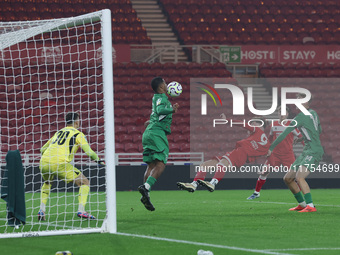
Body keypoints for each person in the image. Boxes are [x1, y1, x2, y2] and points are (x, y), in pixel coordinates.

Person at [38, 112, 104, 221]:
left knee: (48, 183)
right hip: (59, 163)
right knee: (84, 182)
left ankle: (41, 210)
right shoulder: (78, 134)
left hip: (44, 162)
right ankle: (81, 211)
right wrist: (99, 161)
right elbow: (89, 152)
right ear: (77, 122)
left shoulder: (58, 132)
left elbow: (42, 150)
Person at [177, 115, 270, 192]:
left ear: (256, 123)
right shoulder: (267, 145)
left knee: (222, 164)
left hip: (241, 152)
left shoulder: (257, 130)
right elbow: (264, 155)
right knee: (205, 165)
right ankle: (193, 184)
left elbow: (242, 124)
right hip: (241, 156)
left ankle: (213, 183)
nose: (251, 124)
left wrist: (227, 120)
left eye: (252, 122)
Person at [267, 93, 323, 213]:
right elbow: (319, 130)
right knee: (288, 178)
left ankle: (311, 206)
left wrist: (271, 147)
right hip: (307, 150)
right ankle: (302, 204)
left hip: (313, 151)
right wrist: (303, 138)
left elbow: (284, 133)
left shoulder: (299, 117)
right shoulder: (314, 113)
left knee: (299, 177)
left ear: (306, 102)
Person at [138, 77, 179, 211]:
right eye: (165, 83)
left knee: (151, 164)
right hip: (157, 133)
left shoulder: (157, 98)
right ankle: (146, 187)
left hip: (149, 132)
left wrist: (150, 121)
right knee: (160, 164)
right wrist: (172, 110)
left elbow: (156, 113)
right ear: (161, 87)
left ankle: (146, 195)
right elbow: (160, 110)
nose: (167, 85)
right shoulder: (162, 98)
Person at [247, 106, 303, 200]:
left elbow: (301, 137)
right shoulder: (274, 124)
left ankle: (302, 194)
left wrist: (306, 147)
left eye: (284, 112)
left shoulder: (291, 125)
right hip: (274, 155)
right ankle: (256, 193)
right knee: (264, 172)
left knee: (295, 176)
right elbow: (270, 138)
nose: (281, 114)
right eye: (280, 112)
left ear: (287, 114)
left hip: (288, 155)